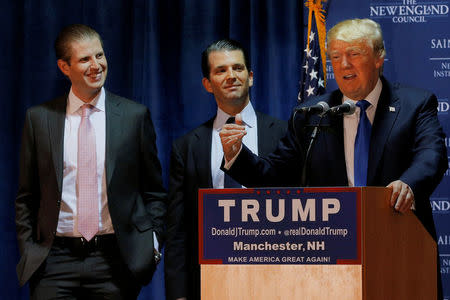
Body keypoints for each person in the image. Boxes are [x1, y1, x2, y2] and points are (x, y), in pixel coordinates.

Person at [220, 18, 447, 299]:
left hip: (399, 250)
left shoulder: (416, 104)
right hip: (332, 261)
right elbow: (274, 174)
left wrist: (408, 184)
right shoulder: (312, 114)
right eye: (336, 57)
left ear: (379, 58)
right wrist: (237, 155)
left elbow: (432, 155)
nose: (344, 65)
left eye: (354, 54)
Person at [15, 24, 166, 299]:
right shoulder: (39, 118)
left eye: (100, 55)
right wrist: (30, 249)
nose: (96, 65)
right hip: (55, 261)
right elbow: (27, 196)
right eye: (85, 59)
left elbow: (154, 192)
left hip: (115, 261)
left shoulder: (134, 116)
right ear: (64, 67)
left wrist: (152, 246)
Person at [164, 39, 287, 300]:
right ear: (207, 84)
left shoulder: (285, 134)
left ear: (250, 77)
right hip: (210, 280)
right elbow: (178, 231)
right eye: (220, 70)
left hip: (274, 277)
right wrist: (178, 294)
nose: (231, 76)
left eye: (238, 68)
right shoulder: (186, 147)